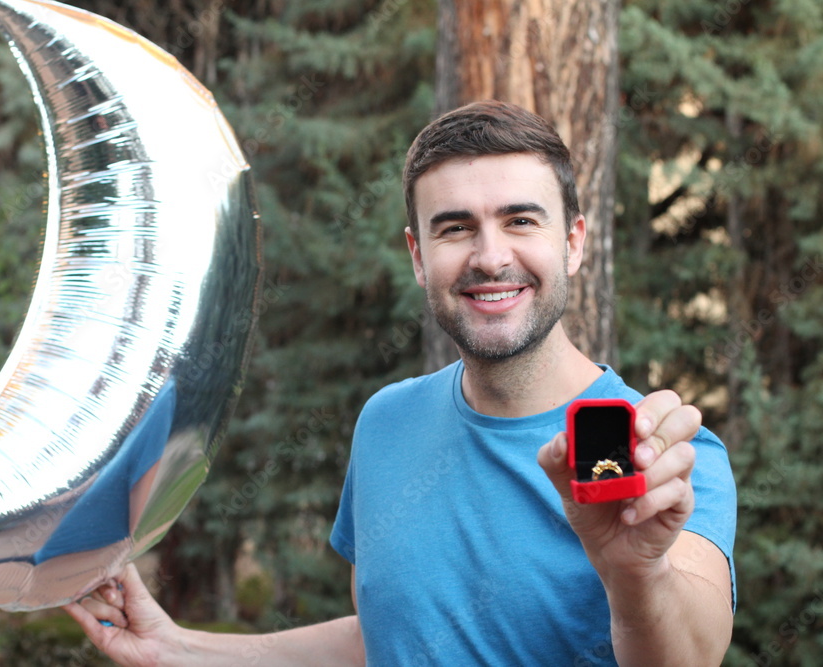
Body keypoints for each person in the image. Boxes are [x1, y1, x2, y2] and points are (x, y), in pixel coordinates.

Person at [64, 100, 736, 666]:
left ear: (576, 243)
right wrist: (178, 648)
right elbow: (382, 639)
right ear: (419, 256)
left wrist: (634, 569)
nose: (490, 255)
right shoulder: (386, 421)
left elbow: (692, 653)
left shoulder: (666, 463)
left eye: (521, 220)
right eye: (455, 228)